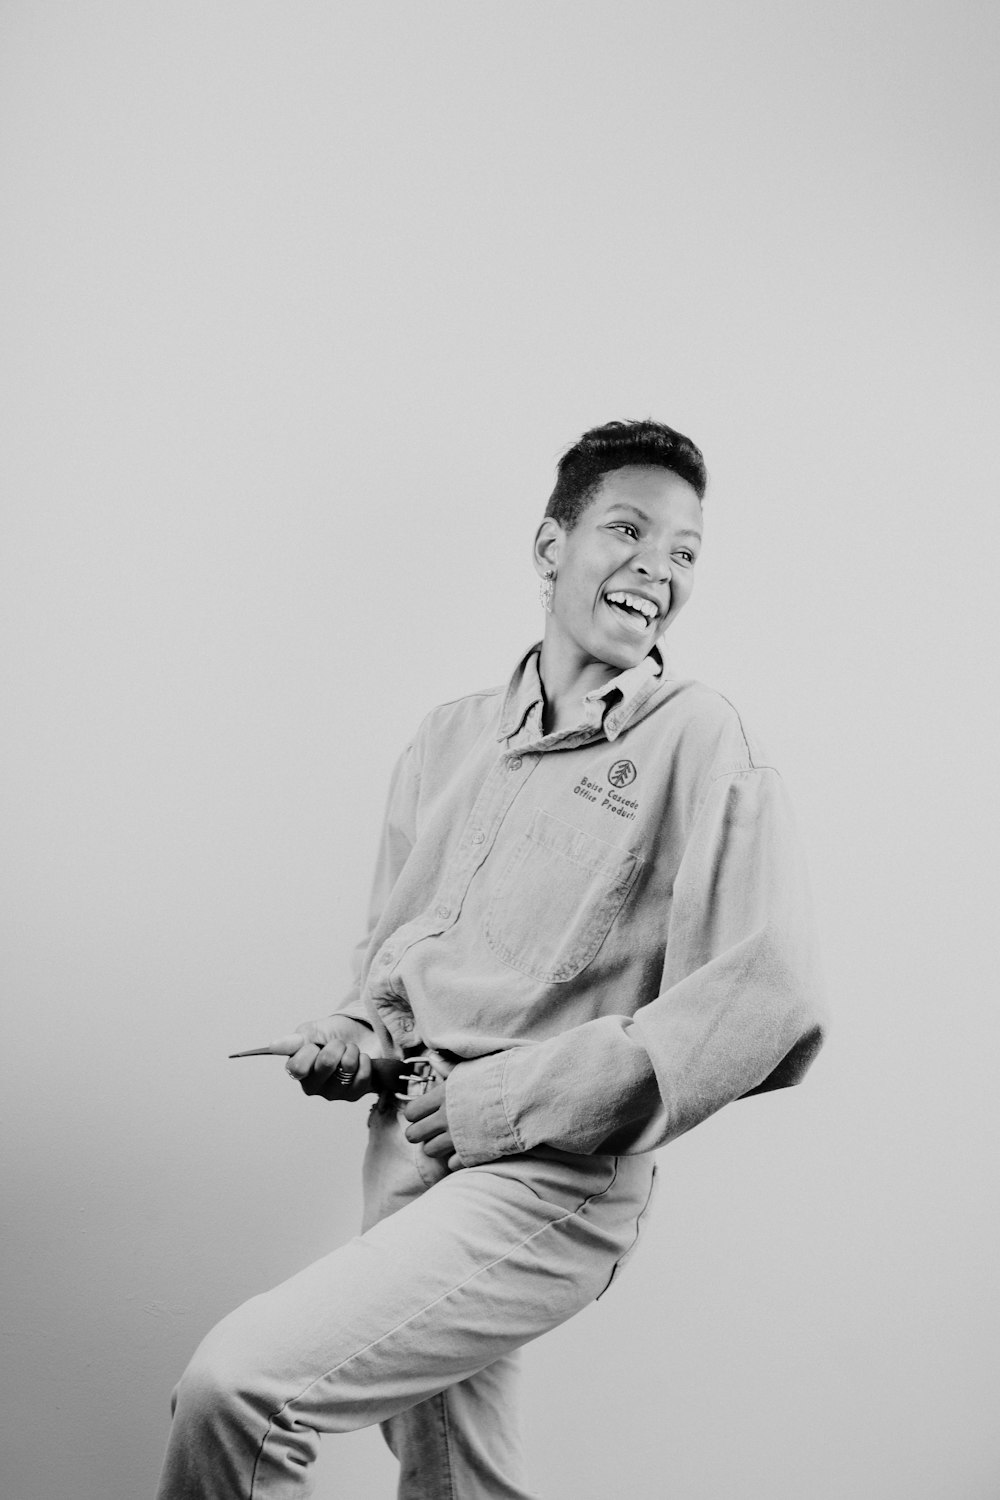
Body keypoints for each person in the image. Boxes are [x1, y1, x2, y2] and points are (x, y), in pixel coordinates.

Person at [155, 419, 826, 1500]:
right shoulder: (445, 741)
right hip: (408, 1156)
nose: (659, 568)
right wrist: (358, 1039)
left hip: (547, 1183)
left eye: (687, 550)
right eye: (628, 529)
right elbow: (399, 973)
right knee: (456, 1489)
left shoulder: (699, 741)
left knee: (241, 1389)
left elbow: (770, 999)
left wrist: (502, 1101)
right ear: (549, 545)